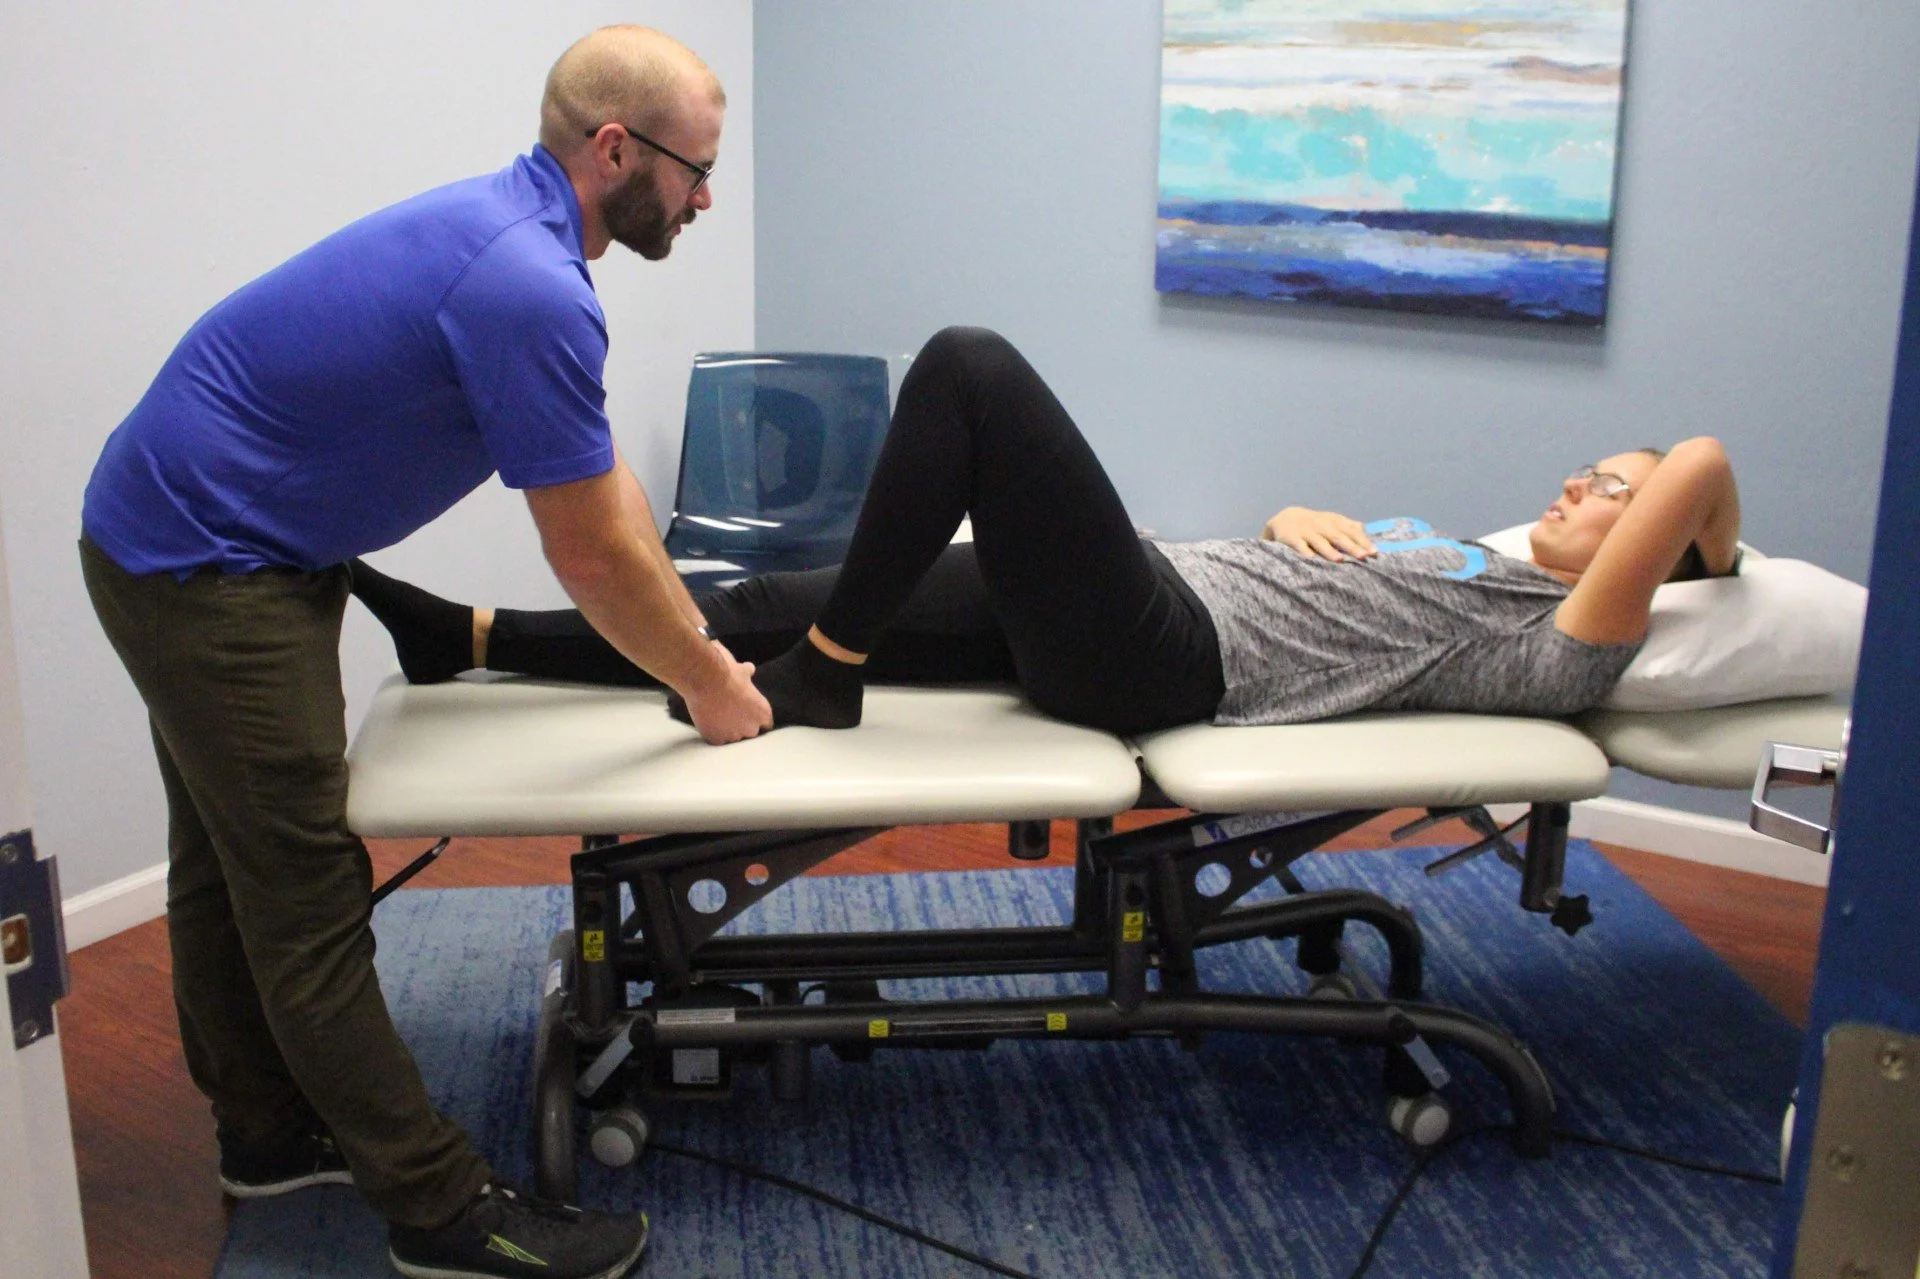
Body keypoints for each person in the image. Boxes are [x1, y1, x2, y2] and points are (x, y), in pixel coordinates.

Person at [78, 25, 767, 1279]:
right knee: (304, 894)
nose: (705, 198)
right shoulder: (527, 284)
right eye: (695, 169)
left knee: (226, 864)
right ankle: (442, 1210)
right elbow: (592, 556)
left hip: (218, 537)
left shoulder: (524, 237)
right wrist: (708, 683)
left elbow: (609, 494)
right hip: (205, 563)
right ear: (617, 150)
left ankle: (266, 1132)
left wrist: (701, 647)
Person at [349, 327, 1741, 736]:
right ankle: (470, 639)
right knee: (774, 598)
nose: (1578, 487)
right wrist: (1290, 516)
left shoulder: (1552, 642)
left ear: (1661, 553)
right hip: (1148, 591)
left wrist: (1717, 551)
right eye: (1582, 471)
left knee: (971, 370)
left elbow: (1706, 463)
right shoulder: (1482, 559)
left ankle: (827, 674)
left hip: (1167, 656)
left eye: (1611, 493)